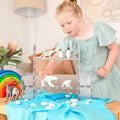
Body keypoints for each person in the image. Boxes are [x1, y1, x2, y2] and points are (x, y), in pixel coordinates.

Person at [39, 0, 120, 100]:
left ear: (79, 17)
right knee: (92, 111)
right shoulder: (68, 41)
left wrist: (106, 68)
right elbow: (58, 56)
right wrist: (49, 68)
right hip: (86, 83)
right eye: (62, 25)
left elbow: (114, 48)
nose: (66, 28)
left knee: (113, 108)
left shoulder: (98, 30)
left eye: (69, 23)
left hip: (106, 80)